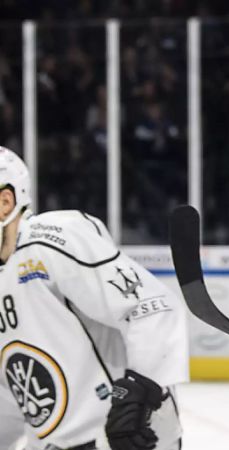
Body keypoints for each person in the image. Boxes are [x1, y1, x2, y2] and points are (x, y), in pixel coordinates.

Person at [0, 147, 189, 449]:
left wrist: (137, 397)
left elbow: (151, 306)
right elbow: (10, 396)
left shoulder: (50, 238)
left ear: (5, 202)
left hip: (124, 438)